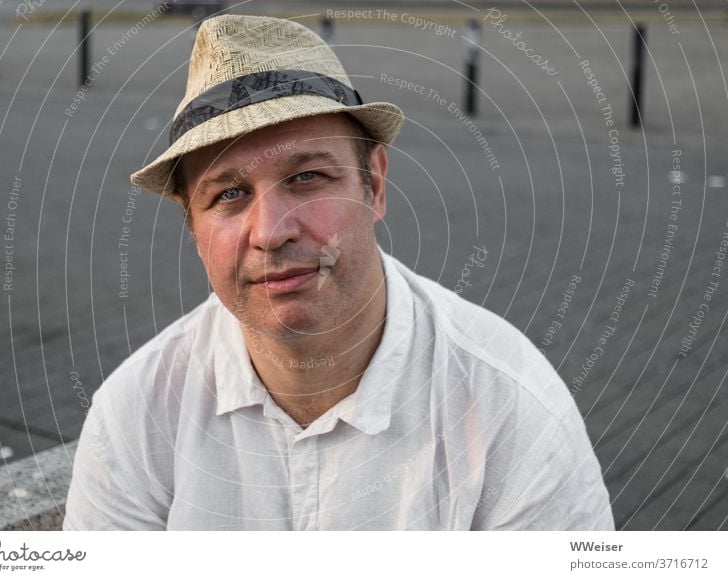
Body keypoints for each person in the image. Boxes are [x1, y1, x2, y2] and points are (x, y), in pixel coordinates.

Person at [63, 14, 614, 530]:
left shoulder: (508, 411)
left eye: (306, 178)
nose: (271, 231)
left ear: (373, 185)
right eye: (229, 194)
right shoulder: (135, 418)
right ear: (193, 226)